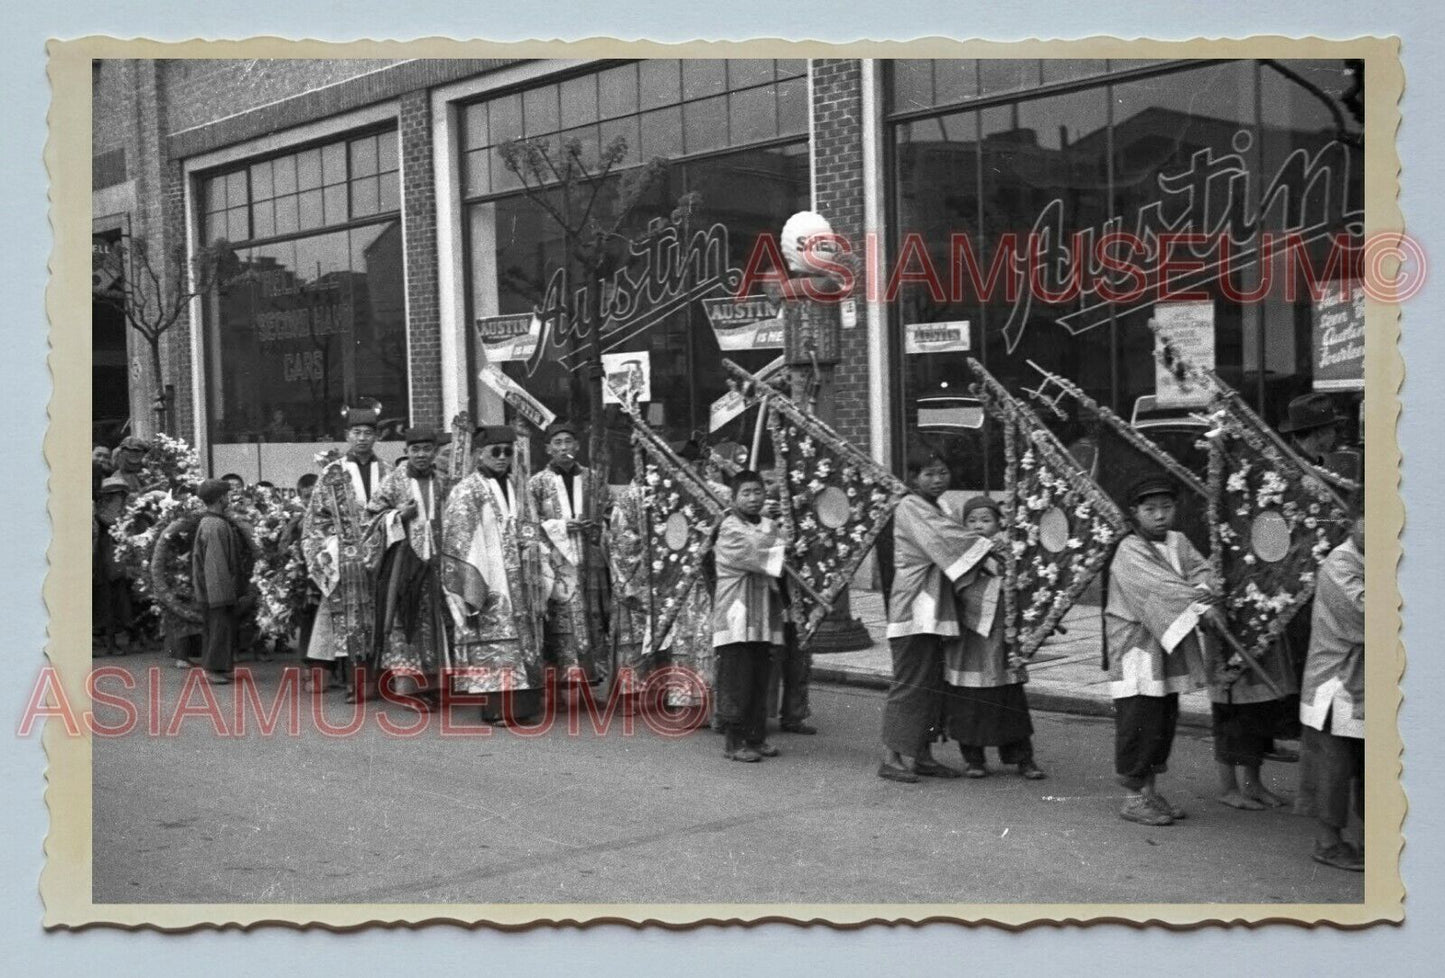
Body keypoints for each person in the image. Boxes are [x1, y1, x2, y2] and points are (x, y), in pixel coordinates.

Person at [1104, 475, 1223, 826]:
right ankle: (1132, 796)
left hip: (1168, 642)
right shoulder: (1129, 549)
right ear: (1134, 512)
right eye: (1150, 509)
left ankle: (1150, 791)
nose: (1159, 516)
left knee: (1162, 718)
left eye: (1166, 508)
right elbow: (1159, 589)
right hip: (1138, 644)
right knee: (1139, 718)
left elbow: (1202, 571)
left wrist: (1202, 588)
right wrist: (1199, 602)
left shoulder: (1179, 542)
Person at [878, 454, 991, 783]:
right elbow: (948, 541)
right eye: (929, 474)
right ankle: (891, 757)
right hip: (915, 607)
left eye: (943, 472)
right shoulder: (911, 507)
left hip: (938, 610)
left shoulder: (941, 508)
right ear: (913, 479)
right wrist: (990, 548)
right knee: (910, 683)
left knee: (933, 687)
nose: (938, 479)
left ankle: (922, 754)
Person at [442, 424, 546, 723]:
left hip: (521, 577)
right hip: (489, 575)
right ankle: (497, 708)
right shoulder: (467, 490)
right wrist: (477, 576)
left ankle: (523, 707)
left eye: (508, 452)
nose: (502, 458)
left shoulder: (519, 486)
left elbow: (531, 524)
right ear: (478, 454)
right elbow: (459, 537)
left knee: (521, 641)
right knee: (495, 643)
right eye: (495, 452)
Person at [942, 496, 1045, 779]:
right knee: (969, 697)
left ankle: (1022, 758)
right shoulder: (958, 552)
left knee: (1008, 697)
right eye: (971, 521)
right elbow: (957, 586)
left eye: (986, 520)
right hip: (969, 637)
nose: (979, 526)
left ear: (999, 523)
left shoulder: (1008, 552)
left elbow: (1023, 583)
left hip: (1001, 634)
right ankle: (973, 758)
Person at [301, 404, 390, 703]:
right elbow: (316, 520)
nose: (362, 438)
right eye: (357, 433)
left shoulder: (388, 472)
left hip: (381, 558)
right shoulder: (332, 474)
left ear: (377, 436)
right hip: (345, 559)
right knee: (350, 621)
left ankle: (379, 682)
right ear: (347, 435)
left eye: (368, 433)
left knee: (380, 619)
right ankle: (356, 685)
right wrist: (331, 548)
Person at [367, 426, 453, 711]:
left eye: (426, 449)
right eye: (415, 450)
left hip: (438, 561)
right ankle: (406, 687)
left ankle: (435, 683)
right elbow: (371, 515)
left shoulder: (445, 482)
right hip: (405, 561)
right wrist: (397, 515)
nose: (421, 455)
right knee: (408, 620)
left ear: (434, 452)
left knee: (438, 621)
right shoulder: (393, 481)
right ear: (406, 452)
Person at [1299, 500, 1365, 872]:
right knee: (1333, 768)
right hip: (1337, 682)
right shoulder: (1340, 564)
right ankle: (1327, 842)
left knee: (1374, 766)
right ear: (1355, 522)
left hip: (1373, 681)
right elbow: (1368, 613)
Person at [711, 470, 789, 762]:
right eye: (746, 493)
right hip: (736, 612)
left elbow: (775, 545)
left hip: (764, 612)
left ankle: (756, 736)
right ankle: (734, 741)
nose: (754, 498)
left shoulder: (770, 524)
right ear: (733, 499)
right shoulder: (730, 528)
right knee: (737, 677)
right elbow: (757, 552)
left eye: (758, 491)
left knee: (760, 676)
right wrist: (783, 542)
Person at [529, 420, 611, 697]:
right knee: (560, 623)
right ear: (548, 449)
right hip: (555, 563)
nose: (564, 448)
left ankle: (589, 686)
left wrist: (597, 527)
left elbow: (609, 510)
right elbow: (529, 521)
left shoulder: (593, 478)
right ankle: (559, 690)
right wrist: (561, 527)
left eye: (568, 442)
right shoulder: (537, 483)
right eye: (558, 443)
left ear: (577, 446)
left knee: (591, 621)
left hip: (590, 560)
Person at [191, 478, 253, 685]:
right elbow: (215, 564)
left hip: (213, 589)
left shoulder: (212, 522)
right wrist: (223, 595)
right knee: (219, 627)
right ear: (220, 498)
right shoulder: (215, 525)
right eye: (226, 495)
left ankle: (220, 666)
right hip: (216, 590)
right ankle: (214, 668)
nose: (229, 498)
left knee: (219, 628)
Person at [93, 475, 134, 655]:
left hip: (114, 564)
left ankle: (113, 642)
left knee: (116, 603)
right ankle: (109, 643)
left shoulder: (113, 512)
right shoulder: (104, 515)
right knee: (108, 604)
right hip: (106, 564)